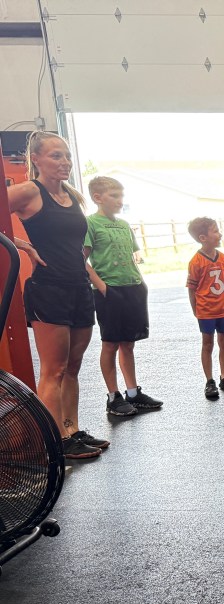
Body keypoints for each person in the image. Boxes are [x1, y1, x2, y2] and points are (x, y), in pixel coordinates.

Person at [7, 131, 104, 460]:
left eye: (66, 155)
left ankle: (72, 429)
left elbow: (76, 246)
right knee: (54, 369)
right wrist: (18, 244)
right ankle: (57, 441)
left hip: (78, 287)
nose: (65, 162)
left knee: (73, 367)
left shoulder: (72, 195)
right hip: (49, 289)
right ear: (36, 159)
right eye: (55, 156)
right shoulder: (28, 192)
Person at [83, 176, 163, 418]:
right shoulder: (90, 224)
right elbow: (81, 260)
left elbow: (131, 257)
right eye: (114, 196)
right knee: (110, 343)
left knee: (128, 343)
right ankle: (113, 396)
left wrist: (141, 282)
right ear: (98, 198)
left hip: (133, 288)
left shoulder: (124, 225)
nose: (120, 201)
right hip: (109, 290)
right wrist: (103, 288)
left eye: (121, 196)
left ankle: (132, 392)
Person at [186, 217, 224, 400]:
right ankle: (209, 380)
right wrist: (196, 309)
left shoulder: (223, 258)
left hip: (223, 309)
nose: (219, 234)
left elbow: (222, 283)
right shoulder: (196, 261)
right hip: (205, 310)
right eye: (215, 231)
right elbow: (192, 288)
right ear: (203, 237)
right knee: (208, 344)